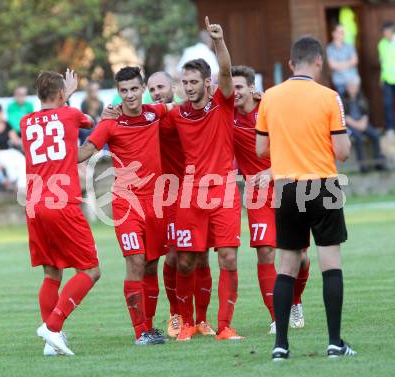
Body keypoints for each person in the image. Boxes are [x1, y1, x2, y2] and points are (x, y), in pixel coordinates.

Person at [256, 36, 356, 360]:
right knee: (331, 265)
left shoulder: (270, 98)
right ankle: (334, 342)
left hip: (287, 188)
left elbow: (260, 150)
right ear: (319, 62)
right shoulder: (329, 97)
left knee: (286, 266)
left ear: (290, 63)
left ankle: (281, 345)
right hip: (323, 186)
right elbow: (341, 152)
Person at [163, 17, 243, 341]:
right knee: (186, 261)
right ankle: (186, 323)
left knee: (227, 257)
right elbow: (148, 128)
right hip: (190, 194)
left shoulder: (222, 105)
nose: (189, 87)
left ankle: (224, 327)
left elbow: (226, 70)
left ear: (207, 83)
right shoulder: (175, 114)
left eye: (194, 81)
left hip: (223, 190)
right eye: (185, 82)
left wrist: (219, 41)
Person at [78, 66, 169, 346]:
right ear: (117, 92)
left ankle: (150, 327)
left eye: (133, 89)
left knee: (152, 265)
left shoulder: (156, 113)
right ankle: (140, 331)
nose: (129, 95)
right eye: (123, 90)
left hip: (155, 203)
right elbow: (85, 152)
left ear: (142, 89)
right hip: (126, 204)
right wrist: (57, 153)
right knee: (136, 262)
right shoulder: (110, 122)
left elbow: (186, 104)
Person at [20, 69, 101, 356]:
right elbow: (88, 122)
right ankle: (53, 326)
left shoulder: (25, 120)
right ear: (62, 94)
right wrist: (71, 94)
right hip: (61, 202)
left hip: (33, 204)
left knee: (51, 272)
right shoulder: (69, 113)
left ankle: (51, 343)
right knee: (91, 270)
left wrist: (64, 95)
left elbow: (49, 121)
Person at [231, 66, 310, 335]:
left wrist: (270, 170)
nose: (235, 92)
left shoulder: (272, 108)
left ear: (252, 88)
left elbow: (296, 146)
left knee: (300, 257)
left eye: (240, 87)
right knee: (265, 252)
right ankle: (278, 318)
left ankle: (296, 301)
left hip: (289, 184)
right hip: (257, 192)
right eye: (231, 88)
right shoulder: (225, 114)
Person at [147, 71, 214, 338]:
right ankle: (176, 314)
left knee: (202, 255)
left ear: (173, 86)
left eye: (161, 87)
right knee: (175, 256)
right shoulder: (151, 116)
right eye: (151, 89)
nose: (156, 92)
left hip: (197, 189)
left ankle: (202, 320)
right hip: (169, 195)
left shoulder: (185, 112)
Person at [342, 75, 386, 173]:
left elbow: (366, 112)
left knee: (375, 135)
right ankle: (362, 165)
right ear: (347, 87)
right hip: (350, 125)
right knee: (358, 137)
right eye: (351, 86)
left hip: (362, 123)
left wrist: (363, 123)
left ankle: (378, 162)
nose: (353, 89)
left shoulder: (361, 97)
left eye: (355, 86)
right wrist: (358, 125)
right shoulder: (343, 99)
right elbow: (345, 117)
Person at [0, 105, 26, 190]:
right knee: (10, 166)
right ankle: (15, 184)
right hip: (0, 153)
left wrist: (23, 143)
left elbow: (15, 139)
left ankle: (21, 187)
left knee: (22, 161)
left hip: (10, 151)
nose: (1, 115)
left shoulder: (6, 124)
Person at [378, 21, 395, 135]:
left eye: (387, 33)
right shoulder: (381, 44)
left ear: (393, 32)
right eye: (384, 33)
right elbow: (383, 63)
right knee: (388, 104)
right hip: (387, 79)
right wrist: (381, 78)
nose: (385, 35)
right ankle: (390, 128)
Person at [326, 23, 359, 96]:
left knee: (354, 105)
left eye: (343, 32)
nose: (342, 34)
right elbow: (332, 65)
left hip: (352, 81)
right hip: (339, 81)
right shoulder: (330, 49)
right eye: (340, 32)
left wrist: (339, 64)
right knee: (342, 104)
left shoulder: (350, 46)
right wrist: (348, 63)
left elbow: (355, 61)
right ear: (333, 33)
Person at [79, 81, 104, 145]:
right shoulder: (85, 102)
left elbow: (100, 116)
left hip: (97, 123)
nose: (95, 92)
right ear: (90, 91)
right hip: (87, 125)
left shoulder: (100, 102)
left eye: (96, 90)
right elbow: (84, 117)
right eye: (93, 90)